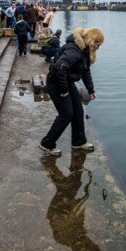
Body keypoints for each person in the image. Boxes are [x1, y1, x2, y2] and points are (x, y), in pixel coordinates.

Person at [39, 27, 104, 156]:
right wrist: (63, 90)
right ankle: (47, 143)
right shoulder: (74, 50)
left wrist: (91, 89)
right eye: (98, 44)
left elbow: (85, 71)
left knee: (78, 111)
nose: (98, 47)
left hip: (66, 82)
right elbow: (59, 68)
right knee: (66, 114)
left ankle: (78, 142)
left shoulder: (84, 51)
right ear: (92, 40)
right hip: (56, 82)